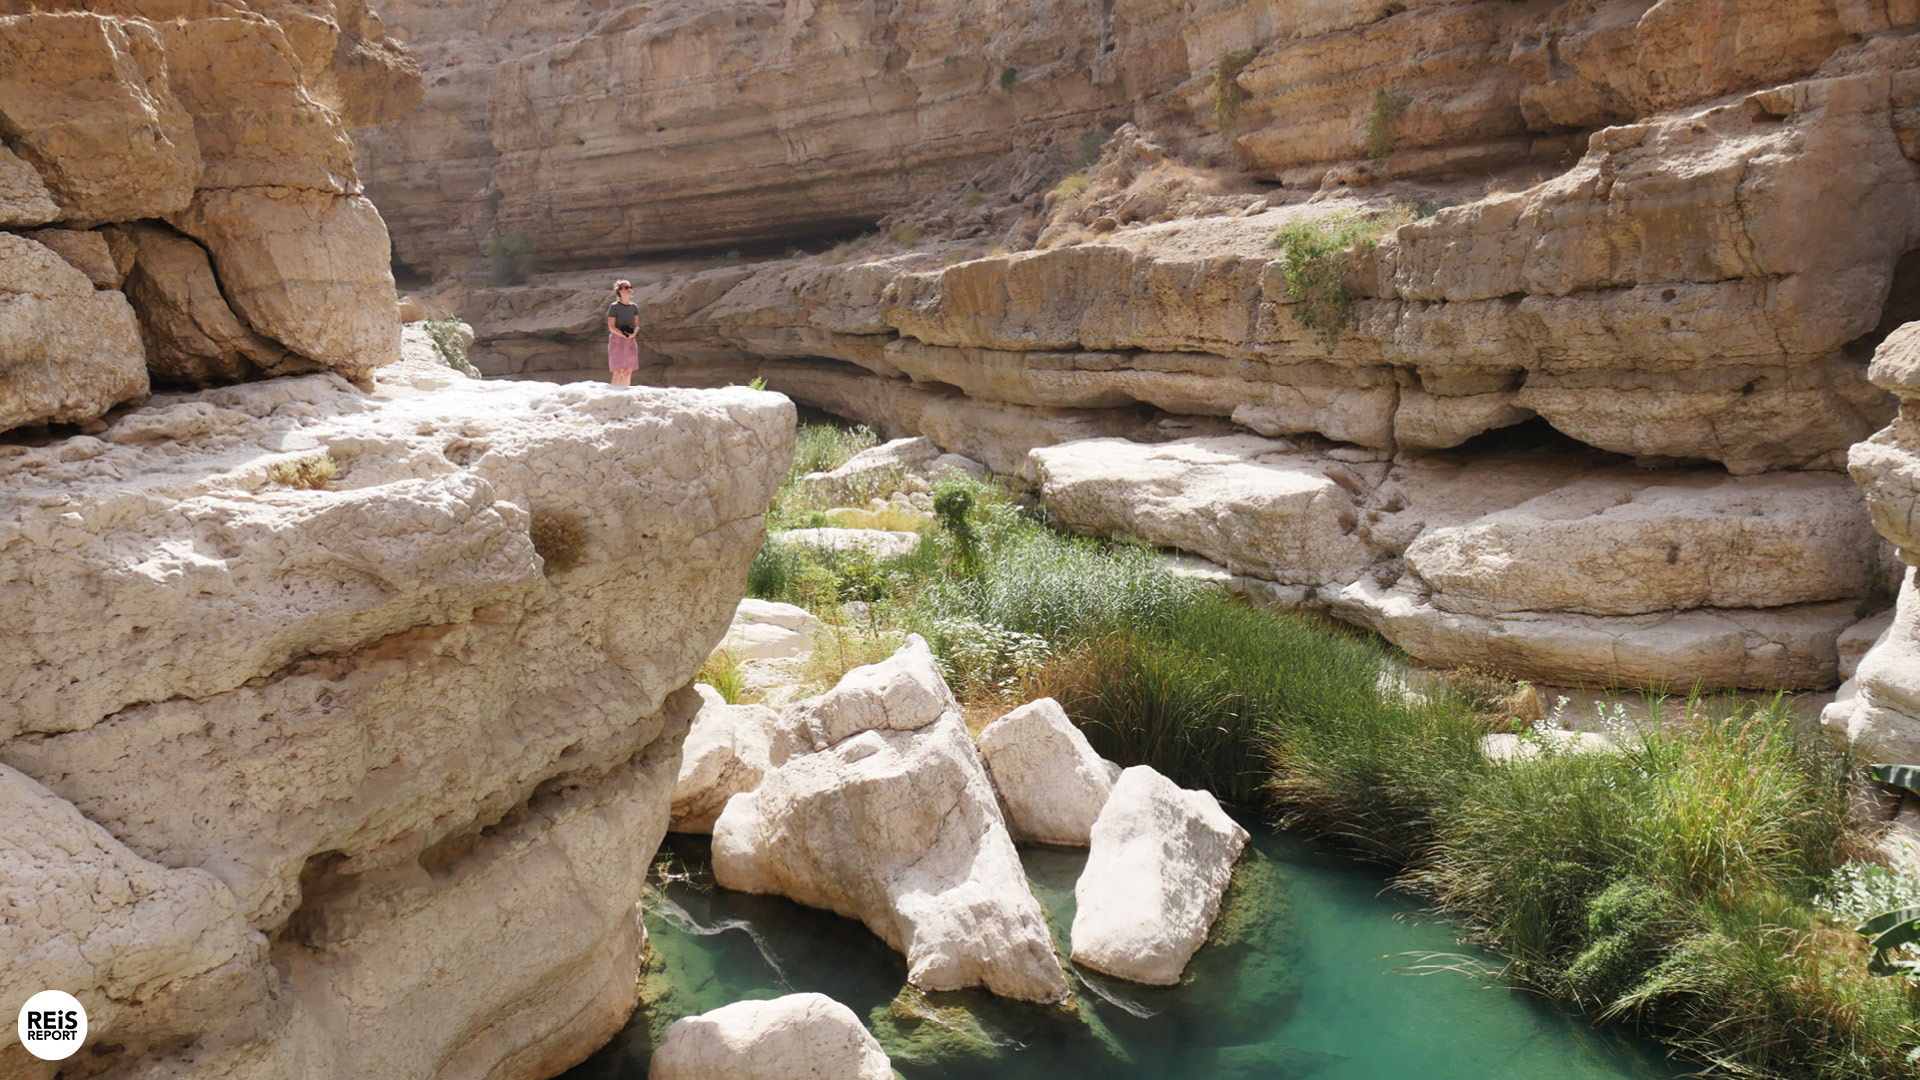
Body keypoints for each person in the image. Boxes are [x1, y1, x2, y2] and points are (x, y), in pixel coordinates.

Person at [606, 280, 640, 386]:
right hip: (617, 340)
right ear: (619, 291)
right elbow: (611, 327)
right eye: (626, 287)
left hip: (630, 340)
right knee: (618, 370)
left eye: (630, 287)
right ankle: (614, 393)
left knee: (628, 370)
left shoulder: (634, 307)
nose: (629, 289)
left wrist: (633, 334)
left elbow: (637, 325)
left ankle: (625, 392)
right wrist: (622, 335)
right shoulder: (614, 307)